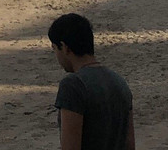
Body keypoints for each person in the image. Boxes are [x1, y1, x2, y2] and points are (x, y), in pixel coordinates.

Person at [48, 13, 134, 150]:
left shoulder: (73, 85)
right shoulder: (119, 82)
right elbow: (130, 145)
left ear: (64, 48)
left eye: (55, 49)